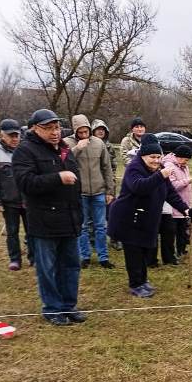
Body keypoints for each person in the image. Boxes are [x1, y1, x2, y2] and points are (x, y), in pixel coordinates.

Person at [12, 108, 85, 326]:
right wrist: (57, 178)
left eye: (57, 127)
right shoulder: (25, 151)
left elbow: (76, 181)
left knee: (71, 265)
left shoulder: (64, 149)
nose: (55, 132)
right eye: (48, 128)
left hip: (70, 218)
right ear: (35, 128)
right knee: (48, 267)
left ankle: (68, 306)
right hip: (44, 222)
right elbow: (26, 183)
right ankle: (52, 308)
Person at [108, 134, 192, 298]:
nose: (156, 160)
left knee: (144, 250)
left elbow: (170, 193)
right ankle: (136, 284)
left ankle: (143, 280)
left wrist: (185, 210)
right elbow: (139, 187)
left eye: (158, 157)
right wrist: (160, 176)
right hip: (127, 218)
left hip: (145, 218)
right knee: (133, 252)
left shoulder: (160, 169)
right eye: (152, 157)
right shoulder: (134, 168)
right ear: (143, 156)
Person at [64, 114, 115, 269]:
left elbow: (107, 168)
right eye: (81, 132)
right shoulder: (67, 143)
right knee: (83, 226)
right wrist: (77, 149)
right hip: (80, 192)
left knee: (101, 226)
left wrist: (110, 190)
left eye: (86, 131)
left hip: (99, 191)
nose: (84, 135)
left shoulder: (99, 143)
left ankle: (103, 258)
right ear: (75, 131)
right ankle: (84, 256)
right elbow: (63, 162)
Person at [0, 118, 33, 271]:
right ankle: (15, 259)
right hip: (9, 202)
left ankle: (34, 257)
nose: (15, 139)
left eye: (17, 135)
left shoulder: (26, 151)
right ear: (2, 135)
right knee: (12, 232)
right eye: (11, 136)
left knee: (32, 231)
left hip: (28, 200)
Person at [161, 144, 192, 261]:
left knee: (183, 230)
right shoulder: (169, 167)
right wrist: (187, 181)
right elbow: (172, 186)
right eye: (185, 159)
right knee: (173, 232)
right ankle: (172, 253)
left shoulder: (184, 166)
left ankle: (182, 249)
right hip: (174, 206)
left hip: (184, 204)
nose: (186, 162)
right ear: (179, 157)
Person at [92, 118, 121, 250]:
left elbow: (113, 166)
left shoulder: (109, 147)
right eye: (98, 129)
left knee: (112, 213)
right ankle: (92, 240)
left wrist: (112, 181)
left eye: (103, 130)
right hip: (93, 184)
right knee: (93, 214)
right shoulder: (88, 145)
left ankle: (115, 239)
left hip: (108, 184)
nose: (101, 132)